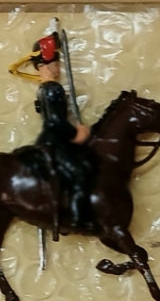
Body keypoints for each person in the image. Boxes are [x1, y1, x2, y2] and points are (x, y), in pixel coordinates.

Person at [11, 20, 96, 229]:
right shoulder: (54, 89)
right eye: (55, 63)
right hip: (55, 139)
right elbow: (55, 121)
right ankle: (78, 218)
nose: (58, 67)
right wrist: (77, 134)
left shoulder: (42, 89)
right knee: (82, 172)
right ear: (43, 65)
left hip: (48, 138)